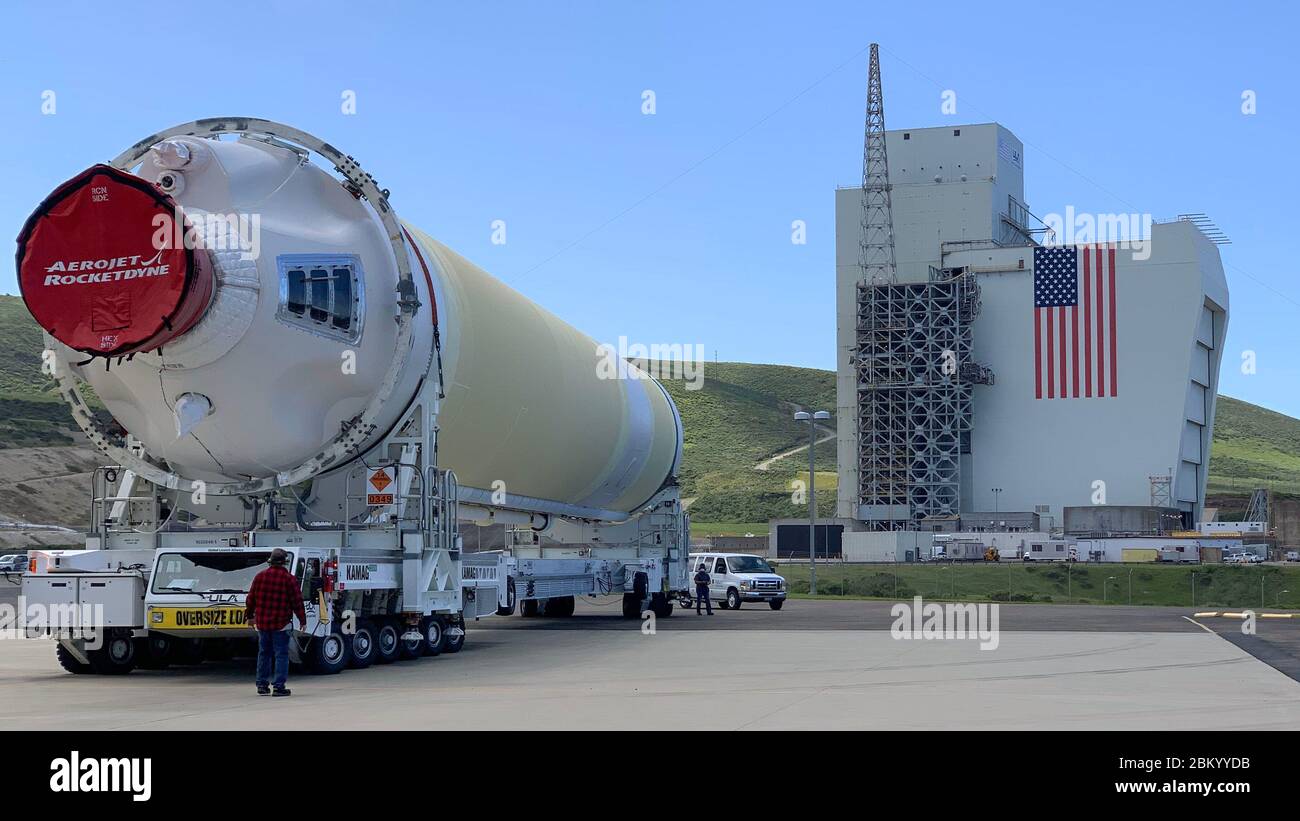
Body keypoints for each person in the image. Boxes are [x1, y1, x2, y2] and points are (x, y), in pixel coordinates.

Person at [245, 548, 307, 696]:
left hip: (262, 623)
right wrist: (302, 620)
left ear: (270, 561)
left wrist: (249, 616)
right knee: (281, 654)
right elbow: (297, 602)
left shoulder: (260, 577)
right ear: (285, 562)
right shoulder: (289, 579)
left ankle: (262, 685)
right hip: (281, 623)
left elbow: (251, 599)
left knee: (264, 654)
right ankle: (279, 687)